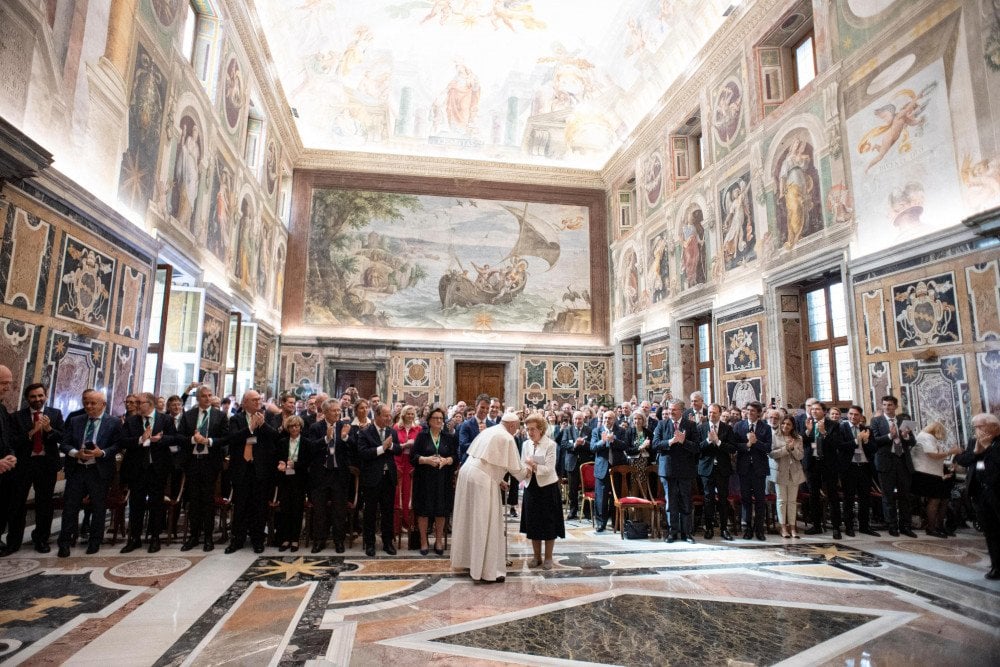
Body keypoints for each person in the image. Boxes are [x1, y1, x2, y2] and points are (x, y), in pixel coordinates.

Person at [451, 411, 525, 583]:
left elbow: (487, 460)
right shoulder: (507, 437)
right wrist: (529, 469)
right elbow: (517, 471)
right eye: (517, 427)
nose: (516, 431)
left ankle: (469, 561)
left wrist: (498, 480)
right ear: (513, 425)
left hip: (468, 473)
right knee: (484, 522)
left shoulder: (490, 430)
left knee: (470, 520)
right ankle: (485, 570)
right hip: (481, 481)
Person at [57, 391, 121, 557]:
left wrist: (103, 453)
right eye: (86, 403)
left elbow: (118, 445)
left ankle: (95, 541)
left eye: (93, 403)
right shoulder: (75, 420)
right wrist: (75, 453)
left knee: (99, 508)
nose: (89, 406)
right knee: (70, 507)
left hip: (98, 471)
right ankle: (64, 543)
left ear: (103, 405)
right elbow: (64, 443)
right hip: (77, 470)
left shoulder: (113, 422)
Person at [3, 383, 63, 555]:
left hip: (46, 465)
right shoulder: (16, 417)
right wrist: (31, 432)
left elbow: (63, 437)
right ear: (27, 399)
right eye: (33, 397)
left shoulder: (55, 413)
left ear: (45, 396)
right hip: (23, 465)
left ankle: (41, 540)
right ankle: (13, 542)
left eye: (40, 396)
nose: (37, 399)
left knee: (44, 504)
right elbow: (11, 441)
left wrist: (49, 429)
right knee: (17, 504)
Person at [120, 392, 180, 553]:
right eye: (136, 403)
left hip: (157, 469)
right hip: (137, 469)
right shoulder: (132, 421)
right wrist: (140, 439)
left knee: (156, 504)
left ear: (151, 404)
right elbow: (122, 441)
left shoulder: (165, 419)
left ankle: (155, 538)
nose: (137, 406)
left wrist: (160, 439)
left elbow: (175, 438)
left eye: (140, 403)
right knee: (136, 504)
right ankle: (135, 538)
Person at [225, 390, 277, 554]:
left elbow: (275, 437)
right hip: (241, 468)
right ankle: (237, 539)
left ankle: (258, 540)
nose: (258, 403)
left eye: (259, 400)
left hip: (259, 469)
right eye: (254, 400)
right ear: (245, 402)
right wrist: (250, 428)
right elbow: (232, 439)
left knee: (259, 506)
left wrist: (263, 425)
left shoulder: (266, 418)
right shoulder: (236, 419)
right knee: (240, 506)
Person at [178, 385, 229, 552]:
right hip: (193, 462)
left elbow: (225, 438)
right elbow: (179, 437)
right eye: (204, 396)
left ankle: (208, 537)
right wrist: (194, 440)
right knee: (193, 500)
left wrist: (208, 441)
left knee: (207, 501)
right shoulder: (189, 415)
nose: (207, 398)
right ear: (198, 398)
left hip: (210, 463)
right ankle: (194, 536)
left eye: (210, 395)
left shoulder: (220, 416)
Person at [957, 414, 1000, 580]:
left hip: (997, 492)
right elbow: (963, 460)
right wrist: (976, 452)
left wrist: (988, 447)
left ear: (993, 427)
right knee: (990, 531)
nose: (976, 430)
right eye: (975, 427)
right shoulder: (974, 441)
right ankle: (996, 566)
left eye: (979, 426)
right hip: (980, 493)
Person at [519, 413, 564, 569]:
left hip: (547, 488)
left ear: (541, 429)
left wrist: (534, 465)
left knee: (548, 523)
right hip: (531, 487)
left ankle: (548, 558)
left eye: (532, 429)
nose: (530, 432)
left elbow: (549, 468)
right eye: (527, 429)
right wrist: (526, 470)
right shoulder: (526, 444)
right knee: (533, 523)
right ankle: (536, 557)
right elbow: (522, 463)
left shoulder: (550, 445)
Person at [356, 403, 401, 556]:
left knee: (388, 511)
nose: (389, 418)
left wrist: (390, 446)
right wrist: (382, 448)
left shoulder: (391, 431)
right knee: (370, 512)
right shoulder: (365, 432)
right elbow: (363, 453)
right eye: (386, 416)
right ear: (377, 415)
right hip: (372, 478)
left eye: (390, 415)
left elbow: (399, 450)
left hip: (388, 478)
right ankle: (370, 543)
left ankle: (387, 542)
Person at [306, 399, 352, 553]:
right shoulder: (315, 427)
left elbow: (353, 448)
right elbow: (310, 448)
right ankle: (320, 540)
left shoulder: (343, 427)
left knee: (339, 510)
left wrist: (345, 438)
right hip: (321, 474)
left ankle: (339, 541)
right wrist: (326, 439)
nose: (338, 413)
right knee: (320, 511)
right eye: (334, 411)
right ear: (325, 412)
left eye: (339, 410)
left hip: (339, 474)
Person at [652, 399, 700, 543]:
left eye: (674, 410)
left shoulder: (691, 425)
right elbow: (655, 445)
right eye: (670, 409)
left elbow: (697, 448)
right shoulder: (662, 424)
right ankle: (672, 533)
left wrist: (683, 442)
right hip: (668, 470)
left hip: (685, 470)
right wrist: (669, 442)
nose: (671, 412)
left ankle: (686, 533)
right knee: (671, 502)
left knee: (686, 501)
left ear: (682, 411)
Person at [411, 407, 456, 555]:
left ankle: (438, 540)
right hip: (424, 480)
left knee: (441, 511)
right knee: (423, 511)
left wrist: (447, 460)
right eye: (435, 418)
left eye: (441, 418)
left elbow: (456, 457)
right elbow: (413, 457)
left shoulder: (448, 437)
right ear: (429, 421)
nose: (438, 421)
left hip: (443, 480)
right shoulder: (422, 436)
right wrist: (425, 460)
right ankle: (424, 541)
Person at [869, 395, 917, 537]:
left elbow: (912, 441)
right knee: (888, 496)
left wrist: (906, 436)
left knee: (905, 496)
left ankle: (905, 526)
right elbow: (874, 441)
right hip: (886, 463)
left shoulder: (903, 421)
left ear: (895, 406)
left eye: (890, 405)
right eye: (884, 405)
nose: (887, 407)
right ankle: (892, 526)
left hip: (902, 462)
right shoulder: (876, 421)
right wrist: (890, 436)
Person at [802, 401, 850, 539]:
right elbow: (803, 442)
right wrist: (808, 431)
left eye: (817, 409)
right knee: (813, 495)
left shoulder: (833, 425)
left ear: (824, 411)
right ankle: (816, 525)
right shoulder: (808, 423)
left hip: (828, 464)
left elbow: (836, 444)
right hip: (812, 464)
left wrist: (823, 433)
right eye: (812, 409)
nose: (814, 411)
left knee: (832, 495)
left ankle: (836, 527)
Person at [912, 422, 962, 538]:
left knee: (943, 498)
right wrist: (951, 452)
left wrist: (949, 465)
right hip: (926, 473)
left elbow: (937, 456)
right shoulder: (926, 437)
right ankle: (931, 527)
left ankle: (939, 526)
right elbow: (932, 455)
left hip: (934, 473)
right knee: (935, 500)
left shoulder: (929, 438)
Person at [733, 401, 771, 540]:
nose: (749, 413)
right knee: (746, 500)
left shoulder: (765, 427)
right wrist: (747, 444)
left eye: (753, 411)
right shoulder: (739, 426)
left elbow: (768, 447)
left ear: (759, 413)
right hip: (744, 469)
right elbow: (735, 445)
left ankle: (759, 529)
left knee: (760, 500)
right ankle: (748, 528)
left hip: (759, 469)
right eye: (748, 410)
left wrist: (756, 442)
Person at [698, 403, 736, 540]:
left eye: (714, 413)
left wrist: (718, 442)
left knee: (723, 499)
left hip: (722, 468)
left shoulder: (727, 428)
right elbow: (697, 448)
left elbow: (732, 448)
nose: (711, 415)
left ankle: (724, 528)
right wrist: (709, 440)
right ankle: (709, 528)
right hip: (706, 469)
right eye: (709, 413)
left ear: (720, 413)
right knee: (708, 499)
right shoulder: (701, 428)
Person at [840, 406, 880, 537]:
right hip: (849, 467)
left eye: (856, 414)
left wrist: (867, 440)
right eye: (850, 414)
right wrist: (856, 440)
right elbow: (840, 447)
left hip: (864, 467)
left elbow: (874, 449)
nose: (852, 417)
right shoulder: (842, 428)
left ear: (860, 416)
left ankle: (864, 526)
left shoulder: (867, 429)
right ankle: (849, 526)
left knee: (865, 499)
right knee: (849, 498)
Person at [590, 410, 628, 533]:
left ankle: (615, 521)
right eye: (605, 418)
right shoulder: (597, 431)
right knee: (601, 498)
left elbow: (625, 446)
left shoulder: (621, 431)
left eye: (610, 418)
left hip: (617, 468)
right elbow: (593, 447)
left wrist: (613, 441)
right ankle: (601, 523)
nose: (607, 420)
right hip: (602, 469)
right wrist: (604, 441)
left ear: (614, 419)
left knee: (616, 497)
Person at [769, 415, 805, 539]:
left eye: (788, 424)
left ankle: (793, 527)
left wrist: (793, 448)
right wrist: (786, 449)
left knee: (792, 501)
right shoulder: (775, 436)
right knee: (781, 501)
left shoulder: (798, 438)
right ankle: (783, 527)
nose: (785, 426)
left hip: (794, 472)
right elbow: (772, 454)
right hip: (780, 471)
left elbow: (800, 456)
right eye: (783, 423)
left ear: (792, 426)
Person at [275, 415, 307, 552]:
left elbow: (307, 463)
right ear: (288, 428)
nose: (294, 428)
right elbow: (277, 458)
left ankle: (295, 539)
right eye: (292, 426)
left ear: (300, 427)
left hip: (299, 481)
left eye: (297, 426)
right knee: (285, 510)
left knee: (297, 511)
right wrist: (280, 465)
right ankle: (286, 538)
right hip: (285, 480)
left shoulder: (306, 442)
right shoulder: (282, 442)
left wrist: (295, 465)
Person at [0, 366, 22, 556]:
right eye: (3, 383)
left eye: (8, 383)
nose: (7, 388)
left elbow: (7, 438)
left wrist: (11, 454)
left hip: (5, 472)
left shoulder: (2, 409)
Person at [394, 405, 422, 542]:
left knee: (408, 494)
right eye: (408, 414)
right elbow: (393, 446)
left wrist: (414, 444)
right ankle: (397, 525)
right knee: (397, 493)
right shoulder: (396, 428)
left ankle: (408, 522)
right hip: (399, 462)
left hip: (411, 462)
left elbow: (421, 446)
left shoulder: (419, 429)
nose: (410, 416)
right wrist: (405, 445)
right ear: (403, 415)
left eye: (412, 414)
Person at [558, 410, 592, 520]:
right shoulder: (568, 430)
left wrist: (584, 443)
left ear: (583, 419)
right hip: (571, 463)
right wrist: (574, 444)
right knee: (572, 489)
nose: (578, 421)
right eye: (576, 419)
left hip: (585, 463)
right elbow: (563, 444)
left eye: (580, 419)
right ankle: (573, 511)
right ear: (573, 420)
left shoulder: (588, 430)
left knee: (586, 488)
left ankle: (587, 511)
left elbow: (592, 445)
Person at [458, 394, 493, 463]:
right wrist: (481, 436)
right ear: (476, 406)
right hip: (470, 463)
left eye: (487, 408)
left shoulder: (492, 426)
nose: (485, 410)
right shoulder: (466, 425)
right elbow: (463, 446)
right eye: (482, 407)